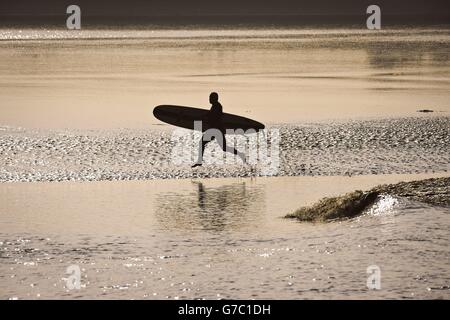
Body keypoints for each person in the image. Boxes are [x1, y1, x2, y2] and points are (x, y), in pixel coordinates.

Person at [192, 92, 245, 168]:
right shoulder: (215, 106)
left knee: (204, 143)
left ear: (214, 99)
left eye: (210, 98)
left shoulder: (217, 106)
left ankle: (200, 161)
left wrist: (205, 118)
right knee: (223, 147)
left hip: (216, 130)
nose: (209, 99)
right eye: (209, 98)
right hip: (216, 130)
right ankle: (240, 154)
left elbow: (214, 118)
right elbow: (211, 116)